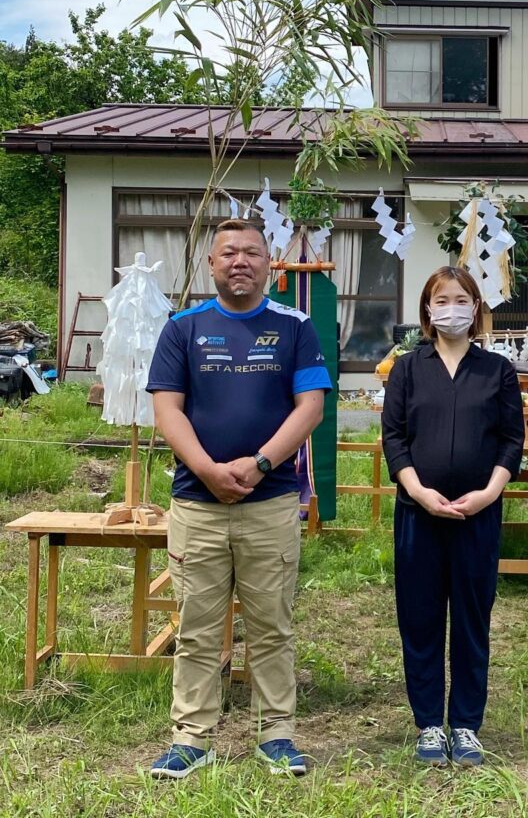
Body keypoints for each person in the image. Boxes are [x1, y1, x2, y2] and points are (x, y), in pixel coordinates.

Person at [146, 218, 330, 779]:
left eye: (252, 252)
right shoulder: (183, 328)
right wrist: (207, 470)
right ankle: (191, 738)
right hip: (198, 505)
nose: (240, 261)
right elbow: (167, 410)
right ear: (211, 263)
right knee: (197, 626)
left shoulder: (296, 327)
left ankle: (277, 735)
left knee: (272, 625)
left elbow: (310, 409)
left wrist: (259, 464)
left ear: (269, 264)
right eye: (228, 253)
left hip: (270, 502)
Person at [381, 266, 524, 768]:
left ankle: (464, 723)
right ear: (426, 310)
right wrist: (418, 491)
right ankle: (428, 724)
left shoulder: (497, 371)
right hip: (418, 515)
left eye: (462, 299)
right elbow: (394, 440)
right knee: (419, 619)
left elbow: (512, 439)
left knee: (470, 620)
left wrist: (489, 492)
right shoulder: (407, 369)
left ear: (477, 308)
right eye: (441, 300)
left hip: (477, 516)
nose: (452, 308)